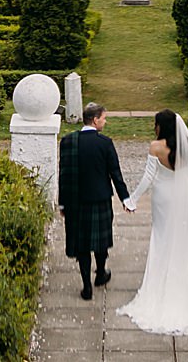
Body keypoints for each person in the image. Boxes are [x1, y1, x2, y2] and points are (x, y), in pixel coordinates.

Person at [118, 107, 188, 334]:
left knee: (162, 240)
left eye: (155, 123)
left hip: (163, 198)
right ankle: (183, 289)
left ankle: (159, 287)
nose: (153, 127)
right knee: (182, 239)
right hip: (183, 197)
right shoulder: (187, 146)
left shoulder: (155, 147)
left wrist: (132, 199)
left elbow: (148, 177)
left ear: (162, 126)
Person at [56, 101, 131, 300]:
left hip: (75, 202)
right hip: (99, 200)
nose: (105, 122)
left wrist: (62, 203)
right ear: (95, 120)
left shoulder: (68, 141)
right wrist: (125, 198)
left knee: (82, 246)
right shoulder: (104, 143)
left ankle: (86, 287)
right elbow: (115, 173)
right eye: (104, 118)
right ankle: (100, 274)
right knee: (100, 241)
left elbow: (63, 175)